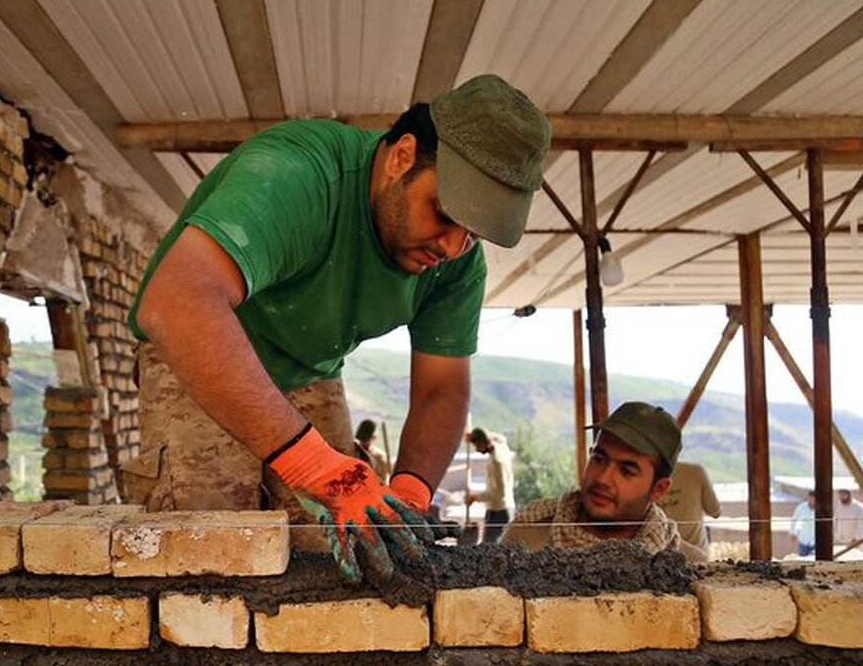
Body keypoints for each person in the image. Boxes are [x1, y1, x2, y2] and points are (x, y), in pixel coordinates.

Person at [123, 74, 551, 584]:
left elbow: (441, 389)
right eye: (442, 213)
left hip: (310, 368)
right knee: (206, 555)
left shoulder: (456, 260)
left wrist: (408, 501)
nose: (450, 247)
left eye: (473, 235)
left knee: (346, 556)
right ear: (401, 157)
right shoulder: (297, 174)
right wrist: (313, 467)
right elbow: (176, 304)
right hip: (198, 353)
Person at [501, 402, 707, 562]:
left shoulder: (687, 568)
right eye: (599, 459)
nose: (602, 478)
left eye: (626, 471)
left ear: (659, 489)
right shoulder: (526, 542)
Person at [463, 428, 516, 543]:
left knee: (490, 547)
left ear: (484, 443)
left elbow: (498, 494)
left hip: (499, 511)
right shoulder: (502, 447)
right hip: (506, 508)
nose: (477, 449)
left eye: (478, 445)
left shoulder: (496, 463)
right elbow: (501, 437)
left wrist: (474, 498)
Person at [656, 461, 721, 555]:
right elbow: (715, 512)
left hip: (662, 556)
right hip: (697, 555)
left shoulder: (648, 474)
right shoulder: (696, 471)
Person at [788, 491, 816, 557]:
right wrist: (793, 533)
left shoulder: (821, 508)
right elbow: (794, 519)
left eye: (813, 498)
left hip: (815, 541)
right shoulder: (801, 507)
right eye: (810, 497)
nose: (811, 500)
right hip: (803, 539)